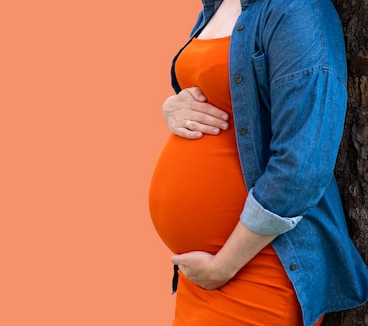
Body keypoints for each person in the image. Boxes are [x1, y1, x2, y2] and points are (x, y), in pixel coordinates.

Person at [147, 0, 368, 325]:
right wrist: (172, 106)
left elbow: (301, 168)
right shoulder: (217, 5)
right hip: (201, 276)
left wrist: (223, 266)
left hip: (259, 268)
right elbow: (216, 89)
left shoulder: (298, 11)